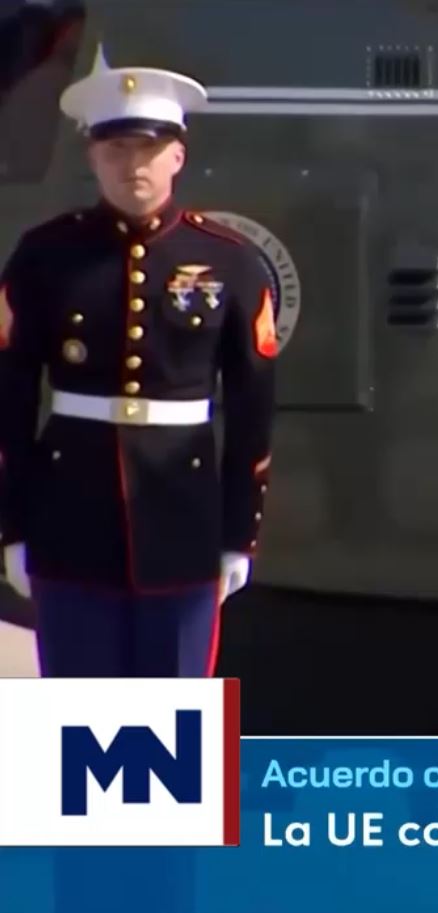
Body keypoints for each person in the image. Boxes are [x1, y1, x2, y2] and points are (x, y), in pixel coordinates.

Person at [0, 62, 277, 676]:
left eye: (149, 149)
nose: (133, 166)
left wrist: (239, 533)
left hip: (184, 520)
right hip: (70, 517)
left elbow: (253, 406)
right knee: (79, 710)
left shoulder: (228, 261)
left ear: (178, 156)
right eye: (116, 149)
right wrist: (11, 524)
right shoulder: (47, 255)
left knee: (174, 707)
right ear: (93, 159)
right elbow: (9, 396)